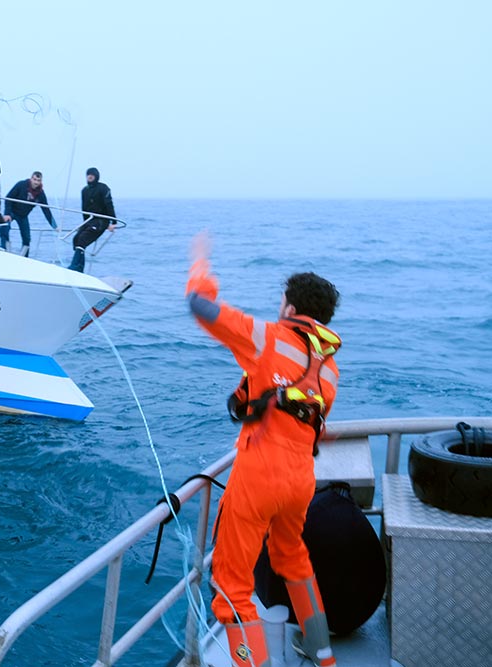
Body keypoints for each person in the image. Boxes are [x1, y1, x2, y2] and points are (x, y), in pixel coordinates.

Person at [185, 231, 342, 667]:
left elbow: (201, 307)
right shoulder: (330, 372)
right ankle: (323, 656)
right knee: (292, 558)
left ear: (290, 308)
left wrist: (200, 264)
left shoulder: (267, 336)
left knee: (232, 584)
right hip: (301, 481)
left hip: (260, 476)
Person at [68, 167, 116, 272]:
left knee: (82, 240)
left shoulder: (103, 188)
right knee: (76, 239)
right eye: (88, 174)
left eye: (92, 175)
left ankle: (75, 267)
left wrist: (113, 222)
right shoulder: (84, 190)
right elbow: (84, 208)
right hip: (90, 220)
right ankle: (79, 267)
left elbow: (109, 204)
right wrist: (84, 223)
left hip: (102, 220)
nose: (90, 176)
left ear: (96, 176)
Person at [2, 171, 56, 256]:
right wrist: (7, 214)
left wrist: (54, 226)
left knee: (27, 238)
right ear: (31, 179)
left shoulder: (40, 193)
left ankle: (25, 257)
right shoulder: (21, 185)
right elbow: (8, 198)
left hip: (23, 216)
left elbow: (46, 210)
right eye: (34, 179)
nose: (36, 182)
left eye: (38, 180)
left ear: (41, 182)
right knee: (5, 227)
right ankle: (4, 248)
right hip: (12, 212)